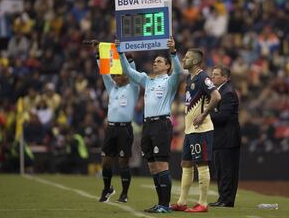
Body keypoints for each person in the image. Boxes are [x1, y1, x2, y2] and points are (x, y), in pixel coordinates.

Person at [117, 36, 182, 213]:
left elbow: (179, 72)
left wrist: (173, 53)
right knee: (153, 167)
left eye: (159, 61)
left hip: (161, 124)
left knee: (161, 165)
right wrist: (121, 53)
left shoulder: (170, 81)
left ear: (167, 66)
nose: (155, 63)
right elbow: (128, 73)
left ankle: (165, 205)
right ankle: (160, 203)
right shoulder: (148, 80)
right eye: (154, 61)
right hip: (148, 126)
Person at [171, 49, 221, 212]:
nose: (183, 59)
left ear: (194, 61)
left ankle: (203, 203)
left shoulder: (202, 77)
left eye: (186, 57)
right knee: (185, 164)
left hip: (202, 129)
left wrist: (204, 114)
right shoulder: (189, 78)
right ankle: (182, 202)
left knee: (201, 164)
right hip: (190, 130)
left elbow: (216, 96)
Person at [89, 40, 140, 203]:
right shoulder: (112, 88)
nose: (116, 77)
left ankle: (124, 193)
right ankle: (107, 188)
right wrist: (99, 53)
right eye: (115, 75)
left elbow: (134, 72)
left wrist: (130, 61)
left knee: (124, 163)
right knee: (106, 162)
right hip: (111, 129)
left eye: (120, 74)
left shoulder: (133, 88)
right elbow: (104, 72)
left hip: (125, 129)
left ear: (127, 75)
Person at [208, 64, 241, 208]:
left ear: (225, 77)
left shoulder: (228, 92)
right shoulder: (220, 91)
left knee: (227, 171)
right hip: (221, 137)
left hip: (228, 138)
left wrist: (205, 114)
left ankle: (227, 200)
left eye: (216, 74)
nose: (212, 77)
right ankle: (222, 198)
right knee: (221, 170)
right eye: (213, 74)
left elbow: (223, 117)